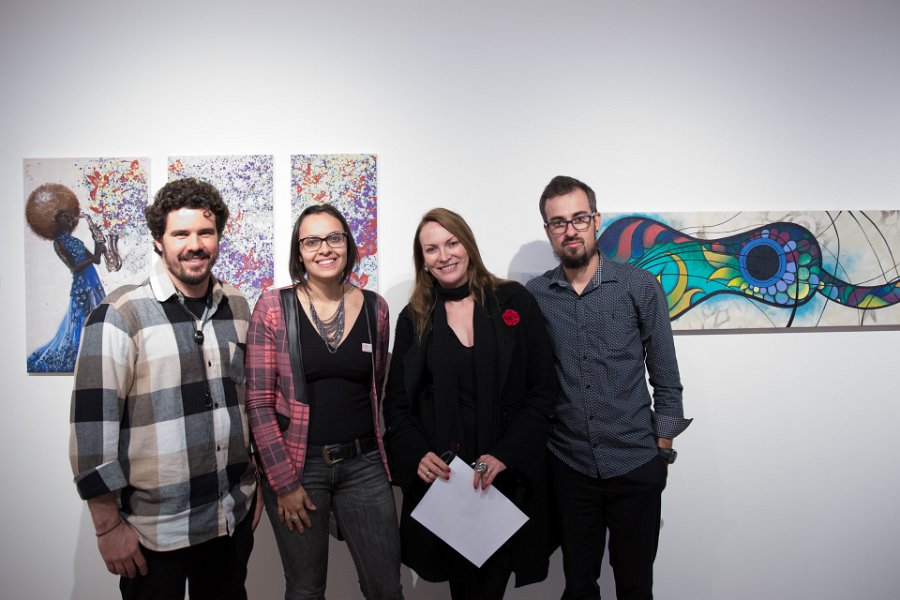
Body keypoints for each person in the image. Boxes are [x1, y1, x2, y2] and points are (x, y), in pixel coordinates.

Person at [70, 178, 261, 600]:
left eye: (205, 232)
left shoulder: (237, 306)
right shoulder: (120, 314)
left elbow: (246, 405)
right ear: (159, 240)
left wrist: (255, 482)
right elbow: (92, 432)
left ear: (218, 237)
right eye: (181, 234)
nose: (195, 245)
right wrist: (107, 527)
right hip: (153, 534)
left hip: (230, 521)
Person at [525, 175, 692, 600]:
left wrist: (662, 452)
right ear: (548, 230)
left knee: (635, 586)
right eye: (558, 222)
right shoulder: (536, 295)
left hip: (635, 463)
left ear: (596, 220)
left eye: (579, 218)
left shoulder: (640, 287)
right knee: (578, 586)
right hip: (570, 466)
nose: (570, 230)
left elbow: (666, 378)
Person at [383, 208, 557, 599]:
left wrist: (503, 455)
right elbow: (397, 405)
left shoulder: (514, 300)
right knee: (464, 590)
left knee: (491, 586)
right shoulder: (414, 317)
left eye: (451, 243)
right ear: (422, 259)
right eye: (432, 249)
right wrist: (417, 454)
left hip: (504, 478)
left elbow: (543, 390)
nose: (444, 255)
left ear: (468, 245)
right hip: (449, 485)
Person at [245, 204, 403, 600]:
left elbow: (376, 385)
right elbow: (259, 403)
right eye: (311, 241)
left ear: (348, 244)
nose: (325, 249)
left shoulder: (376, 308)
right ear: (299, 252)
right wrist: (283, 483)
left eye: (334, 238)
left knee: (386, 588)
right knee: (306, 588)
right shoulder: (273, 307)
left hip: (365, 466)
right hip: (299, 468)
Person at [25, 183, 106, 372]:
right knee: (80, 320)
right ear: (55, 220)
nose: (67, 217)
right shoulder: (58, 243)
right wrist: (90, 258)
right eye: (63, 215)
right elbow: (74, 267)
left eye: (67, 215)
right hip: (82, 284)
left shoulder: (76, 240)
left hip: (93, 281)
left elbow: (96, 260)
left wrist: (97, 243)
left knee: (96, 316)